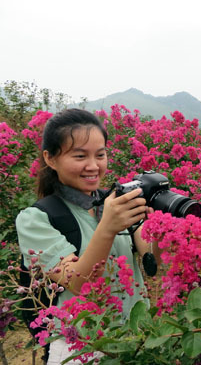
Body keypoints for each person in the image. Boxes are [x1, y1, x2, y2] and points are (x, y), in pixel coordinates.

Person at [16, 108, 159, 365]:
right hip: (83, 347)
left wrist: (165, 225)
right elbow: (79, 284)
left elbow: (154, 260)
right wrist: (107, 227)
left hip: (137, 338)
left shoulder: (115, 202)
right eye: (80, 156)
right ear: (50, 159)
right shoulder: (35, 219)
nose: (93, 166)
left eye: (100, 155)